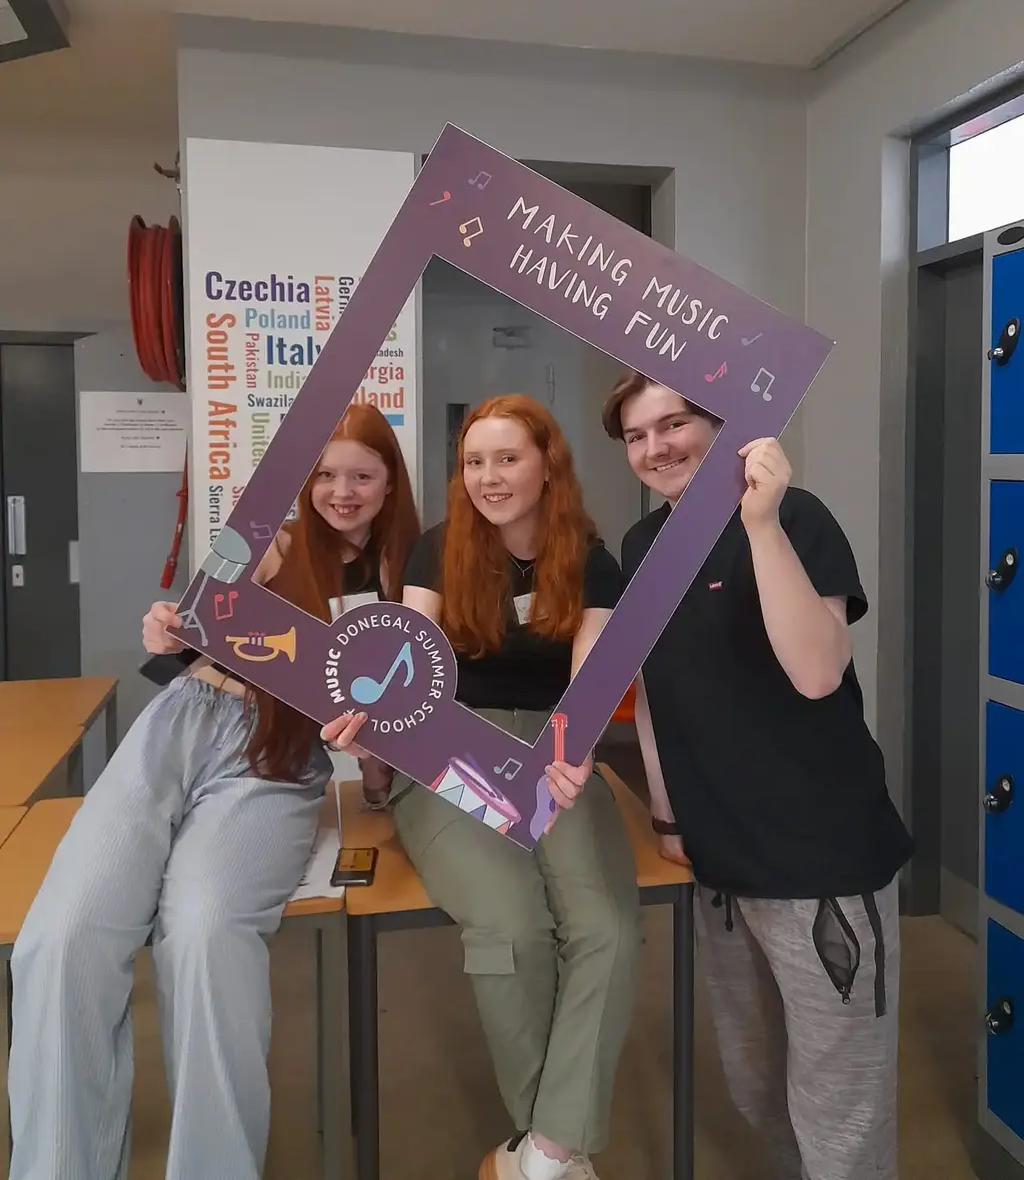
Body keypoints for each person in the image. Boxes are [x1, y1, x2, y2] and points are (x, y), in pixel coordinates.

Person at [8, 404, 419, 1180]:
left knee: (204, 938)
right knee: (59, 939)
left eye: (362, 474)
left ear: (390, 479)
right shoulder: (276, 541)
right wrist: (169, 625)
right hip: (181, 726)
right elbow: (199, 617)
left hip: (271, 761)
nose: (342, 490)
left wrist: (374, 778)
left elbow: (393, 719)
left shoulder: (408, 573)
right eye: (326, 473)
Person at [602, 370, 913, 1180]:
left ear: (725, 425)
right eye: (636, 434)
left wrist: (763, 523)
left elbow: (816, 670)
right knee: (756, 1084)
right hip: (720, 865)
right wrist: (669, 819)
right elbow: (658, 698)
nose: (655, 447)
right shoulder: (644, 547)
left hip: (822, 864)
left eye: (674, 423)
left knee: (838, 1103)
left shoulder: (798, 519)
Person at [324, 394, 639, 1180]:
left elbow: (589, 684)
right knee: (510, 924)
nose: (489, 477)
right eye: (474, 461)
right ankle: (559, 1150)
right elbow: (415, 660)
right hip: (446, 754)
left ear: (547, 463)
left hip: (554, 751)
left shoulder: (594, 561)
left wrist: (571, 756)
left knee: (605, 926)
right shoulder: (439, 549)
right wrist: (372, 721)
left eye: (507, 458)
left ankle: (542, 1152)